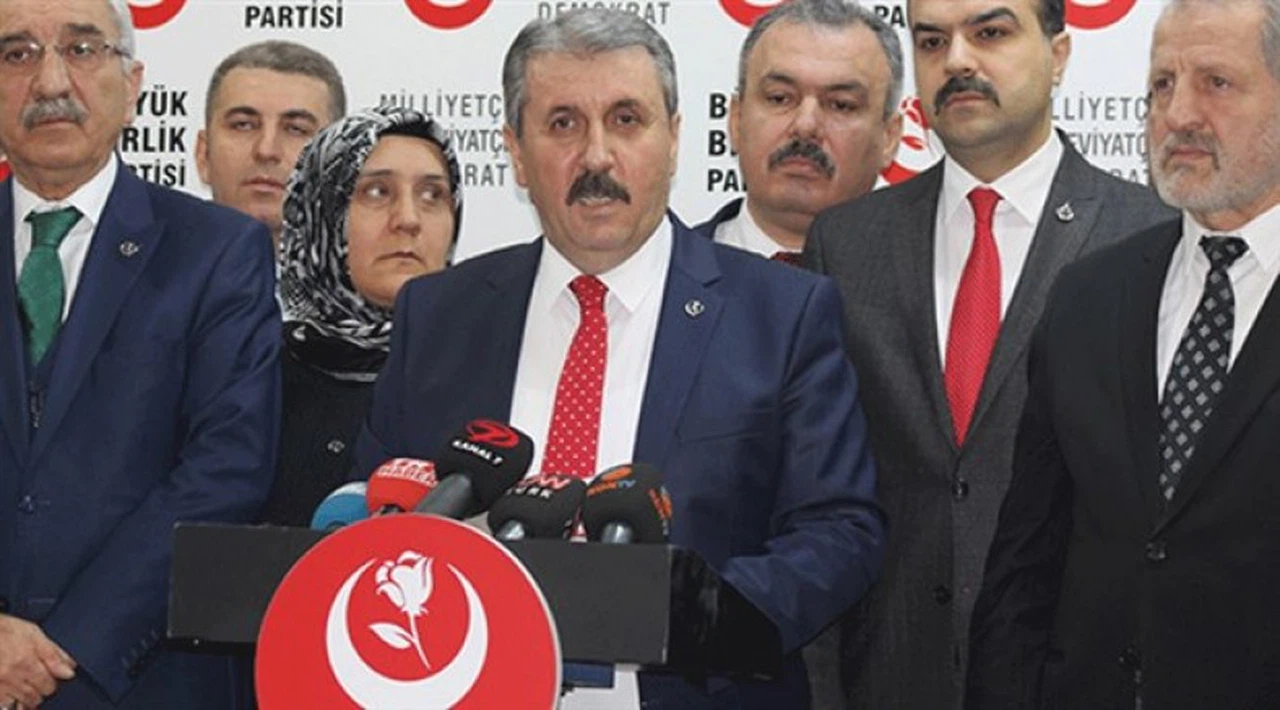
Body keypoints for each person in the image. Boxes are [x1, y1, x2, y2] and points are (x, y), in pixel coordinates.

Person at [353, 8, 884, 709]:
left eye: (627, 120)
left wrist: (688, 617)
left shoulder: (782, 313)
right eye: (563, 124)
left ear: (674, 138)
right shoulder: (439, 314)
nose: (597, 157)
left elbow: (839, 531)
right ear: (516, 151)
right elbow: (372, 507)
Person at [803, 0, 1174, 707]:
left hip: (1072, 681)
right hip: (888, 678)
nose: (958, 60)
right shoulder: (846, 244)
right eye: (931, 40)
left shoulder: (1151, 236)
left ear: (1059, 54)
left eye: (991, 32)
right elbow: (819, 502)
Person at [967, 0, 1280, 707]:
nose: (1179, 114)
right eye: (1162, 84)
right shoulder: (1089, 295)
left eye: (1216, 83)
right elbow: (1025, 564)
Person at [0, 0, 279, 708]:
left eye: (82, 49)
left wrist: (70, 644)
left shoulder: (218, 252)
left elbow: (227, 467)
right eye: (16, 54)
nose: (50, 82)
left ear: (132, 87)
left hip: (141, 680)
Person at [261, 105, 461, 527]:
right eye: (377, 192)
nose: (408, 220)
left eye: (432, 196)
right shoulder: (252, 373)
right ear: (322, 211)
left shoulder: (483, 371)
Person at [697, 0, 903, 264]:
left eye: (841, 105)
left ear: (888, 138)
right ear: (736, 120)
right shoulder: (666, 274)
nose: (805, 126)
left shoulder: (933, 283)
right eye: (780, 98)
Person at [196, 40, 346, 250]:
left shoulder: (380, 269)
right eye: (243, 125)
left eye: (296, 129)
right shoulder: (152, 266)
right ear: (203, 155)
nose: (266, 150)